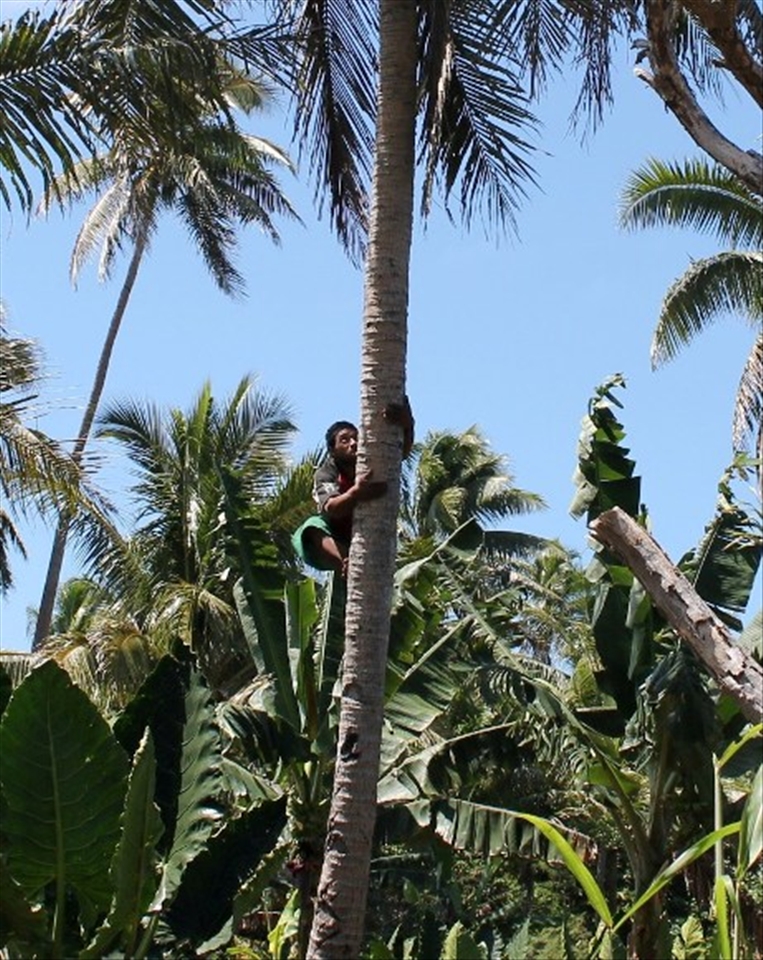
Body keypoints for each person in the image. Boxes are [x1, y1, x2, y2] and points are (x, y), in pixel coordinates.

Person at [292, 398, 414, 576]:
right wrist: (356, 494)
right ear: (332, 450)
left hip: (369, 533)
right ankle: (345, 561)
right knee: (310, 528)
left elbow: (399, 453)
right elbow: (332, 508)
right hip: (335, 535)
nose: (353, 443)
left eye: (356, 438)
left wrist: (408, 425)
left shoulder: (371, 460)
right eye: (344, 440)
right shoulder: (327, 472)